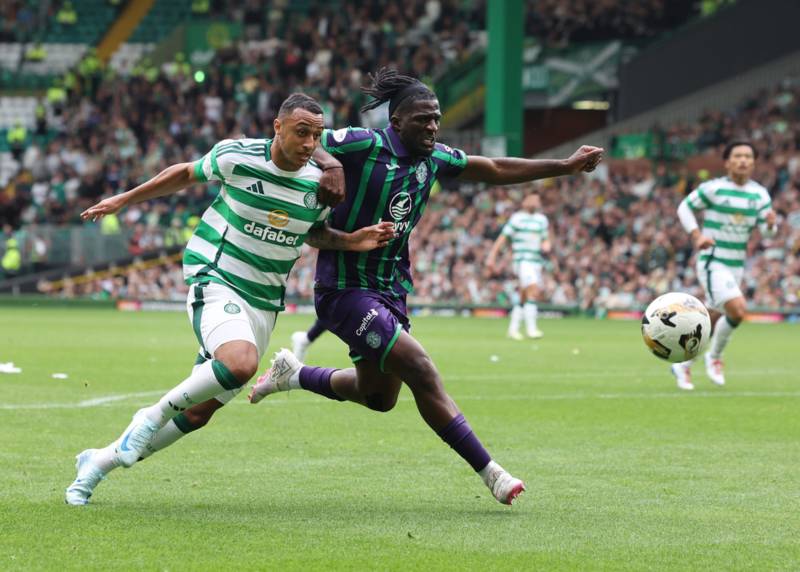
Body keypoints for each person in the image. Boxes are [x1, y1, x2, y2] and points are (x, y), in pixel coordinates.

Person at [248, 68, 603, 505]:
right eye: (422, 119)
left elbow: (491, 167)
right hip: (343, 290)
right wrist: (331, 164)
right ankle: (492, 472)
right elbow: (310, 138)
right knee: (420, 368)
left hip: (391, 291)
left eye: (436, 118)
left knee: (377, 397)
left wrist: (564, 166)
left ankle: (295, 374)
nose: (432, 126)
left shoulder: (434, 158)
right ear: (396, 121)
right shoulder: (365, 143)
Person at [65, 93, 394, 505]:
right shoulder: (237, 156)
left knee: (200, 412)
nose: (310, 143)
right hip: (217, 278)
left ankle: (98, 463)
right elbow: (185, 173)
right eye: (301, 132)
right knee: (240, 364)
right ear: (277, 127)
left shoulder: (317, 183)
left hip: (264, 301)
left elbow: (312, 233)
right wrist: (124, 199)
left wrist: (352, 242)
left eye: (316, 135)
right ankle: (150, 416)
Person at [671, 141, 776, 390]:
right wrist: (697, 236)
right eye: (737, 156)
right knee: (738, 310)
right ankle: (714, 357)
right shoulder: (714, 189)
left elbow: (768, 233)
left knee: (715, 317)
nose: (743, 160)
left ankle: (683, 364)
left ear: (753, 162)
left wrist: (771, 225)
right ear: (727, 162)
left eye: (748, 156)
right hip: (713, 260)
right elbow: (684, 207)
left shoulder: (760, 194)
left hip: (736, 265)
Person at [486, 191, 551, 339]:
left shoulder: (542, 220)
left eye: (537, 199)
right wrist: (492, 256)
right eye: (532, 198)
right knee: (533, 290)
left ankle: (513, 329)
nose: (535, 201)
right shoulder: (517, 218)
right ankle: (531, 329)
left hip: (536, 261)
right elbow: (503, 239)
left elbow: (546, 239)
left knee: (523, 296)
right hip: (522, 260)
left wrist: (547, 246)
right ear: (524, 201)